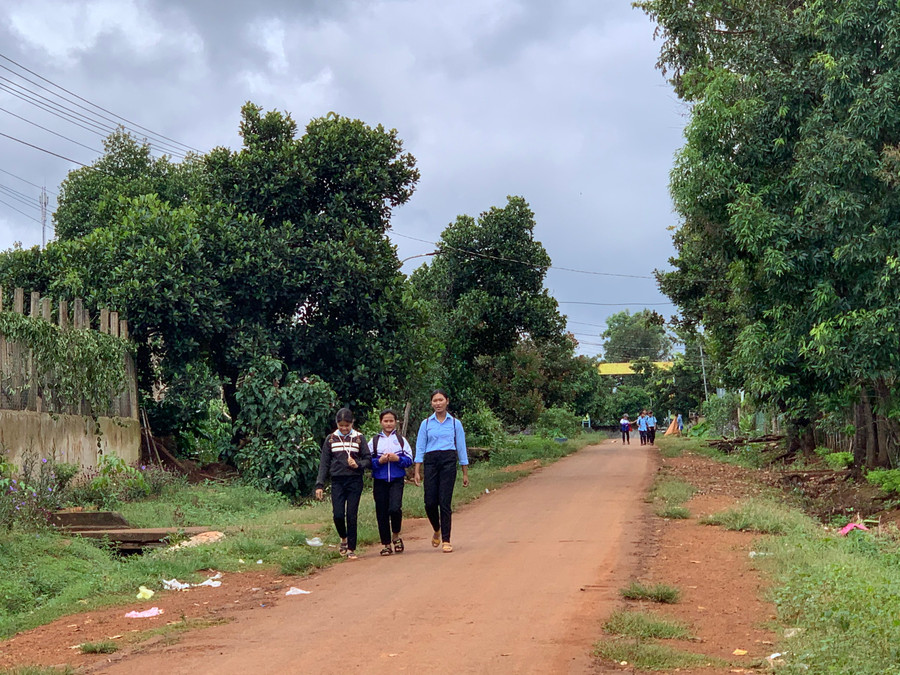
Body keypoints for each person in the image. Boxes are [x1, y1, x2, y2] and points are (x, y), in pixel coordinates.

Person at [413, 389, 469, 553]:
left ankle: (446, 539)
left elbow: (461, 448)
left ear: (447, 401)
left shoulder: (454, 423)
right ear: (431, 403)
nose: (438, 403)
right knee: (430, 502)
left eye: (441, 400)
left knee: (444, 502)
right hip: (430, 462)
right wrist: (417, 470)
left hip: (448, 462)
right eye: (435, 401)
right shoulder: (426, 423)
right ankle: (436, 529)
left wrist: (465, 472)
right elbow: (420, 447)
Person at [315, 408, 371, 560]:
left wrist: (357, 464)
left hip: (354, 481)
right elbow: (324, 463)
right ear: (337, 424)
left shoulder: (359, 438)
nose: (344, 428)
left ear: (352, 423)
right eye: (341, 425)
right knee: (338, 515)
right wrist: (319, 485)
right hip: (337, 481)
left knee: (351, 515)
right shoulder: (331, 439)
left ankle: (352, 548)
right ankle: (343, 539)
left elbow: (368, 459)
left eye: (347, 425)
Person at [369, 408, 413, 556]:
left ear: (396, 422)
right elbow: (367, 461)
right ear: (381, 422)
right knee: (381, 512)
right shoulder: (374, 441)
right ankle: (386, 544)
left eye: (391, 421)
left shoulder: (401, 441)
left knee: (395, 508)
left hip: (396, 480)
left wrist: (397, 459)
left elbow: (409, 460)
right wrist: (379, 461)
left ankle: (396, 536)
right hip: (380, 481)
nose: (388, 424)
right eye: (385, 421)